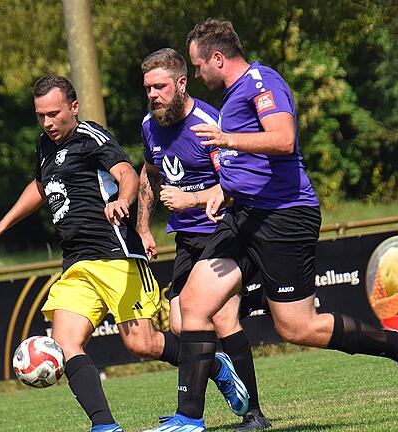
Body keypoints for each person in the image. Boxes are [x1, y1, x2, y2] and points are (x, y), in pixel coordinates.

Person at [144, 19, 398, 432]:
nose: (197, 74)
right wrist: (224, 190)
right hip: (244, 215)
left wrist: (227, 140)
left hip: (285, 217)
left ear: (218, 58)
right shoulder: (231, 97)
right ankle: (189, 419)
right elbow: (252, 166)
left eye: (198, 64)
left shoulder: (263, 82)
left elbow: (283, 140)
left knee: (298, 327)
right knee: (193, 305)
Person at [0, 75, 243, 432]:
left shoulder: (89, 136)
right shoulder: (44, 146)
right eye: (40, 116)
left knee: (141, 344)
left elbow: (125, 172)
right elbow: (40, 185)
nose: (47, 123)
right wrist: (1, 225)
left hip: (116, 254)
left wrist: (122, 202)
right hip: (76, 263)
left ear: (73, 108)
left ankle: (213, 362)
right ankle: (105, 426)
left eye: (54, 113)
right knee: (65, 343)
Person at [136, 48, 269, 431]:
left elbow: (234, 182)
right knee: (180, 324)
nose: (153, 94)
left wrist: (191, 198)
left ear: (181, 83)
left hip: (223, 233)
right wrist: (144, 226)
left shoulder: (209, 123)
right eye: (147, 88)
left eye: (159, 86)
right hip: (186, 237)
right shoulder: (150, 126)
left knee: (223, 317)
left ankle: (253, 414)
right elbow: (149, 173)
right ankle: (219, 370)